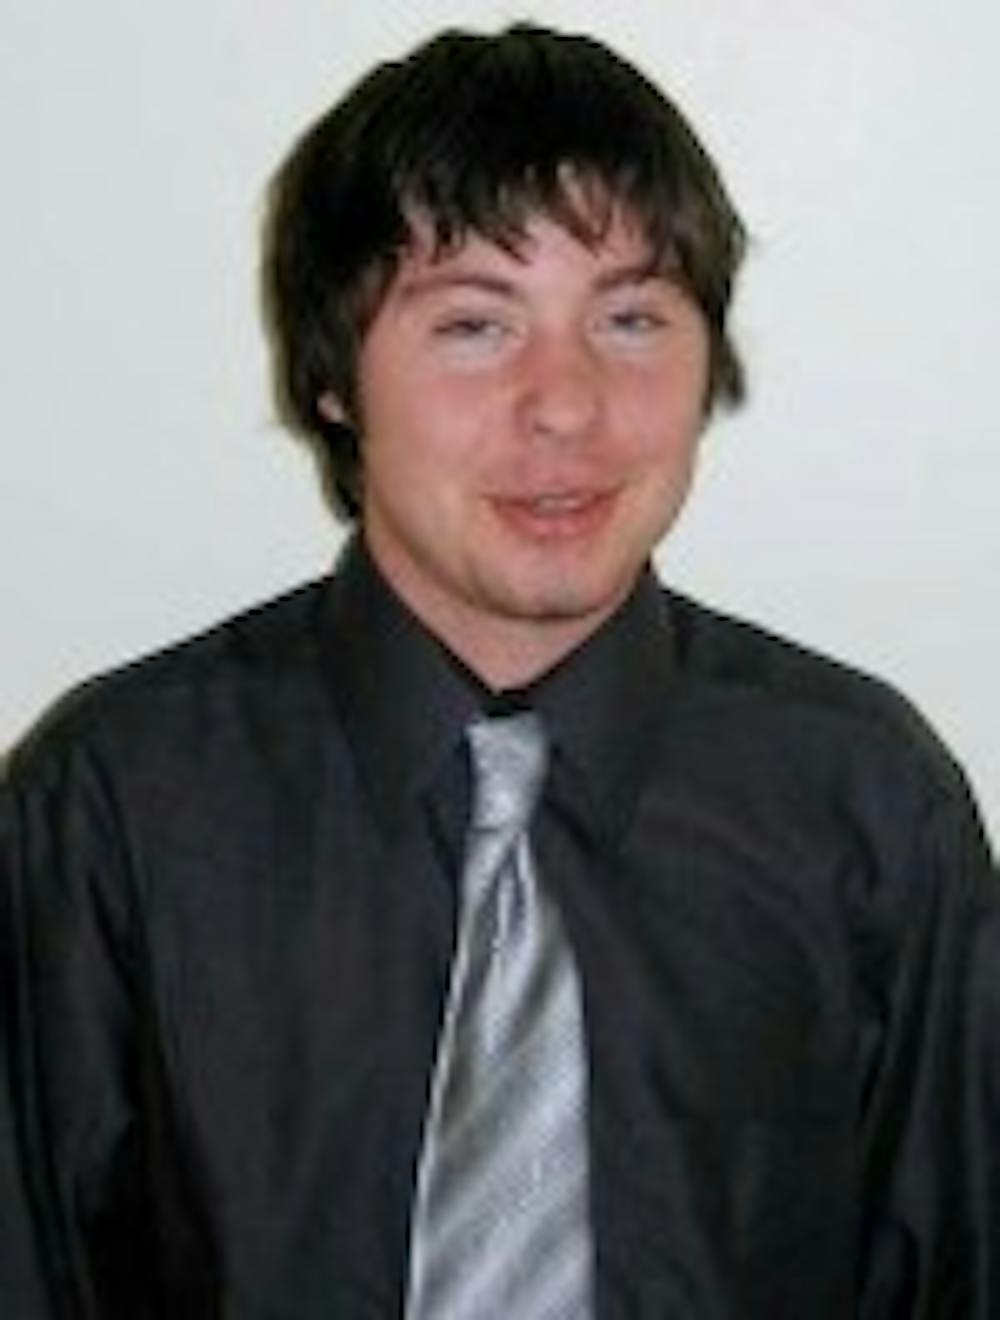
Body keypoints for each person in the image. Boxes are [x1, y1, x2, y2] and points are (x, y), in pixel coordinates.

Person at [2, 22, 997, 1318]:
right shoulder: (113, 808)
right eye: (476, 325)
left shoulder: (869, 805)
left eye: (631, 318)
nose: (566, 404)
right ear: (335, 377)